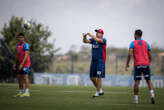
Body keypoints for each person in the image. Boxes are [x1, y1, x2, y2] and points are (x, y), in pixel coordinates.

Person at [125, 29, 155, 104]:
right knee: (148, 81)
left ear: (135, 35)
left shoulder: (133, 43)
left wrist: (127, 64)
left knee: (137, 82)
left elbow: (129, 54)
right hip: (146, 64)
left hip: (138, 65)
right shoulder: (146, 43)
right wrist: (148, 62)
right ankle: (152, 95)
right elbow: (150, 55)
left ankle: (136, 100)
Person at [83, 29, 106, 98]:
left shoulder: (103, 40)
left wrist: (91, 35)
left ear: (102, 34)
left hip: (100, 61)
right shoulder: (93, 40)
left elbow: (98, 40)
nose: (97, 33)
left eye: (98, 33)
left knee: (99, 77)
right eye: (96, 32)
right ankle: (100, 90)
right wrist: (84, 37)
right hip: (93, 61)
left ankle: (97, 93)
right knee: (92, 78)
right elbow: (85, 41)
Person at [13, 32, 31, 97]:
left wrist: (22, 64)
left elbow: (26, 55)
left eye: (22, 37)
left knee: (25, 77)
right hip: (19, 63)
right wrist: (15, 63)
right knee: (19, 77)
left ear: (23, 38)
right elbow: (17, 55)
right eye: (19, 37)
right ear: (18, 38)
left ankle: (27, 92)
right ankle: (20, 92)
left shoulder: (26, 45)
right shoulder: (17, 45)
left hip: (26, 63)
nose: (21, 38)